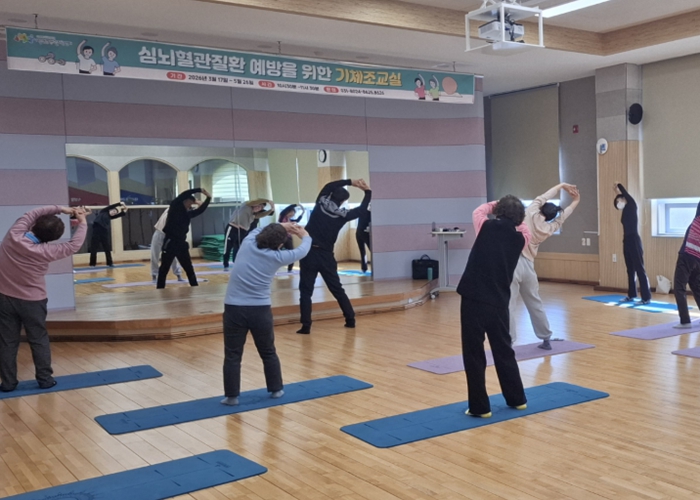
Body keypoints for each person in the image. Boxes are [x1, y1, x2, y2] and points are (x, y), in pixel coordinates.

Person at [221, 222, 312, 406]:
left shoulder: (247, 243)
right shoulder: (278, 257)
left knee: (232, 354)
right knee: (268, 351)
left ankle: (231, 397)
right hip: (260, 311)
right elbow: (303, 250)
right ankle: (276, 390)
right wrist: (304, 234)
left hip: (233, 309)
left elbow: (256, 229)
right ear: (280, 244)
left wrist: (283, 224)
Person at [0, 206, 89, 392]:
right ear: (53, 238)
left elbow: (32, 213)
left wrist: (62, 209)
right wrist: (82, 221)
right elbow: (74, 245)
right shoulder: (46, 251)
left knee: (7, 341)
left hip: (5, 298)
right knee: (38, 339)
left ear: (34, 225)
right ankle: (45, 380)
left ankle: (8, 383)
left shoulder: (14, 235)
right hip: (33, 302)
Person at [458, 196, 531, 418]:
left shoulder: (485, 226)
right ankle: (517, 399)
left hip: (473, 297)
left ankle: (480, 407)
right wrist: (515, 212)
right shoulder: (522, 238)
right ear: (519, 217)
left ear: (498, 211)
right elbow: (523, 225)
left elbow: (478, 211)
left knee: (473, 353)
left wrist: (497, 202)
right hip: (498, 300)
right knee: (503, 349)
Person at [509, 183, 580, 349]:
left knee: (509, 304)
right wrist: (576, 200)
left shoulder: (530, 212)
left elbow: (544, 196)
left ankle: (509, 342)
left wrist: (561, 186)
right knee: (535, 303)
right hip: (529, 266)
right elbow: (564, 216)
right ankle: (546, 338)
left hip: (513, 263)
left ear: (541, 208)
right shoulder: (549, 227)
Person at [297, 179, 371, 334]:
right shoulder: (343, 215)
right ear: (343, 201)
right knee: (337, 289)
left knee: (306, 292)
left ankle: (306, 326)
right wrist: (367, 191)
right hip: (326, 256)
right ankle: (350, 320)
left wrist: (350, 181)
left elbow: (328, 185)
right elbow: (362, 210)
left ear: (330, 195)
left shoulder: (320, 203)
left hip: (308, 253)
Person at [156, 188, 211, 289]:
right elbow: (184, 194)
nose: (190, 206)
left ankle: (195, 286)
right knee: (164, 268)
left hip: (181, 244)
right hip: (170, 242)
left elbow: (200, 210)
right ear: (185, 201)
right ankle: (160, 289)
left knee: (188, 267)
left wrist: (208, 198)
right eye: (190, 203)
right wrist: (199, 190)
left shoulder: (187, 214)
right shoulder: (175, 207)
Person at [614, 183, 652, 304]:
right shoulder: (625, 210)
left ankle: (646, 297)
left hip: (634, 240)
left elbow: (625, 195)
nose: (618, 204)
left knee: (639, 269)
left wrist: (618, 185)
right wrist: (616, 193)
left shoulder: (632, 205)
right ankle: (631, 295)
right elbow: (620, 197)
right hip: (626, 240)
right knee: (630, 269)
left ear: (623, 198)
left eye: (619, 201)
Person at [222, 199, 275, 270]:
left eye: (261, 207)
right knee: (228, 247)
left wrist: (272, 208)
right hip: (233, 228)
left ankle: (238, 264)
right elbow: (255, 201)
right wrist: (267, 200)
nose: (259, 208)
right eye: (258, 205)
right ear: (255, 204)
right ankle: (226, 265)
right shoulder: (246, 206)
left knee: (240, 248)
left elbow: (263, 214)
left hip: (242, 231)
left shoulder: (253, 215)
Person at [673, 200, 700, 329]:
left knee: (679, 287)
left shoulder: (698, 218)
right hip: (697, 259)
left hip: (687, 256)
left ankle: (685, 321)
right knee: (696, 287)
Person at [89, 202, 127, 267]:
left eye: (115, 213)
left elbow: (120, 215)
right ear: (110, 210)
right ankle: (92, 264)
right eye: (113, 211)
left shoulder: (110, 217)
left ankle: (109, 263)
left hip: (104, 232)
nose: (113, 213)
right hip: (96, 230)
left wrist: (124, 210)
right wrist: (119, 204)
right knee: (94, 248)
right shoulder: (103, 211)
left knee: (107, 248)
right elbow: (111, 206)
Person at [150, 208, 183, 283]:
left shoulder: (180, 216)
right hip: (158, 233)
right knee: (154, 255)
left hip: (169, 235)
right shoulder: (170, 209)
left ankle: (178, 274)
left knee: (173, 255)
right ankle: (154, 275)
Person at [278, 204, 305, 272]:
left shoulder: (289, 220)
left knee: (292, 253)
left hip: (288, 238)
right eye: (291, 214)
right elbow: (286, 209)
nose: (291, 216)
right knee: (276, 251)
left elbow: (297, 220)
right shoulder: (282, 217)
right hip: (281, 237)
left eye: (293, 215)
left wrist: (302, 212)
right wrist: (296, 205)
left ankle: (290, 269)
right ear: (288, 212)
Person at [356, 207, 371, 273]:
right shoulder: (369, 213)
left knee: (362, 252)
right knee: (372, 251)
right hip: (365, 233)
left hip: (358, 232)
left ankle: (364, 268)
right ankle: (376, 267)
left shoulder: (362, 212)